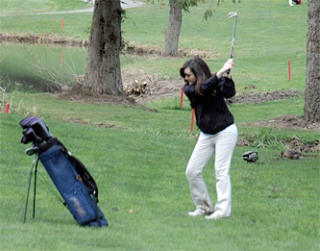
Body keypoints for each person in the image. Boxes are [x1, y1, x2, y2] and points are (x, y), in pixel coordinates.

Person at [180, 57, 238, 220]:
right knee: (192, 171)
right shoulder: (189, 89)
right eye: (184, 76)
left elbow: (229, 93)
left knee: (221, 171)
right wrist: (220, 73)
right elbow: (203, 90)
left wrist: (227, 77)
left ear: (198, 74)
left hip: (225, 132)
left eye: (188, 75)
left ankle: (223, 210)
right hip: (206, 135)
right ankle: (204, 207)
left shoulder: (215, 81)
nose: (185, 79)